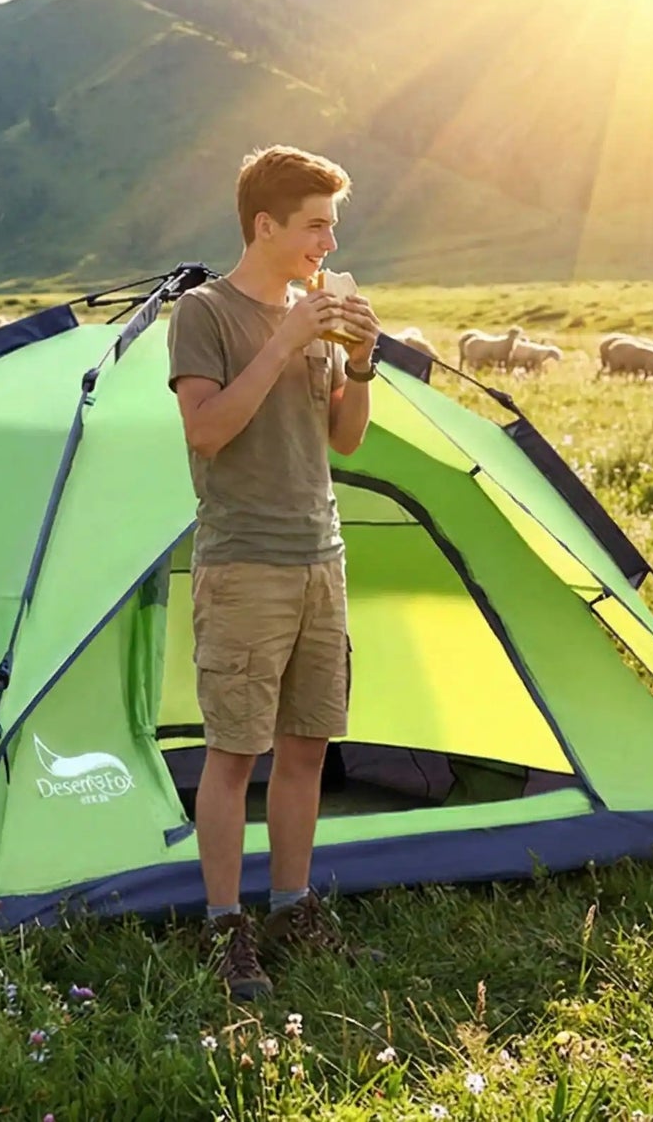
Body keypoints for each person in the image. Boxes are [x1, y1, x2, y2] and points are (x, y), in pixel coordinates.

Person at [167, 144, 381, 999]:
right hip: (243, 560)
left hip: (319, 557)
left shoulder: (314, 309)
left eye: (332, 226)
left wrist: (359, 360)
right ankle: (225, 927)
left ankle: (293, 907)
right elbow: (207, 429)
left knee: (307, 747)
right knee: (233, 753)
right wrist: (287, 336)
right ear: (266, 225)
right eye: (315, 225)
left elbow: (344, 438)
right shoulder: (204, 312)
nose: (327, 243)